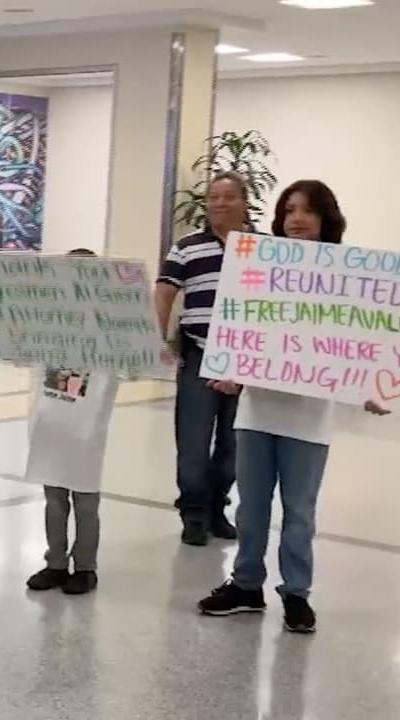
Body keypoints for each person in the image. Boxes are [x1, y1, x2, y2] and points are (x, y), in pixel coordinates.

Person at [197, 180, 390, 633]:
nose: (296, 219)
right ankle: (246, 584)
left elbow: (359, 339)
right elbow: (245, 328)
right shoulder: (260, 268)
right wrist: (231, 370)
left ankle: (296, 593)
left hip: (309, 419)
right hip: (257, 413)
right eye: (289, 211)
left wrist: (371, 387)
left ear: (326, 218)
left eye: (306, 211)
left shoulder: (345, 276)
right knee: (251, 508)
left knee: (299, 513)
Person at [155, 172, 248, 546]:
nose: (219, 203)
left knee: (234, 442)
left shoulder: (264, 249)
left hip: (246, 361)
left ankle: (217, 507)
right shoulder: (186, 248)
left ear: (244, 202)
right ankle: (193, 512)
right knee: (193, 439)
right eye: (213, 197)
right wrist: (157, 338)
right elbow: (164, 293)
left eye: (228, 196)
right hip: (199, 353)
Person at [24, 248, 120, 596]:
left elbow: (136, 365)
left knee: (85, 502)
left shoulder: (111, 333)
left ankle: (85, 566)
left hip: (86, 431)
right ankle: (55, 562)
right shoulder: (47, 327)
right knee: (53, 500)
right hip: (50, 427)